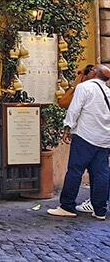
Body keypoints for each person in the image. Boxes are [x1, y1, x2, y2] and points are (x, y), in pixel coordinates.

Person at [48, 64, 110, 220]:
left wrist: (67, 128)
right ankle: (100, 210)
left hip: (85, 136)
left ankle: (67, 206)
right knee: (101, 173)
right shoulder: (108, 92)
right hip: (104, 139)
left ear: (94, 73)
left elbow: (74, 109)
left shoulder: (84, 87)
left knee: (75, 171)